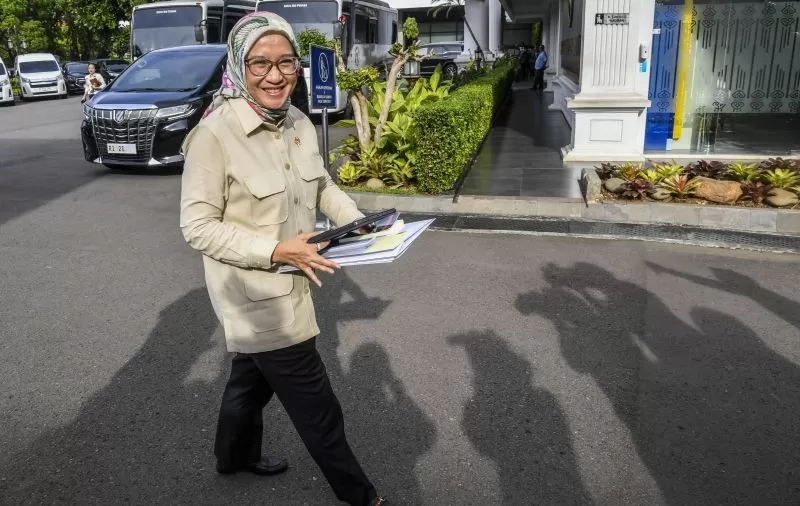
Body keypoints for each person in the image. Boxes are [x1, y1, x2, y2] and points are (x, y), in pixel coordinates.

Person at [179, 12, 392, 506]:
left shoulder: (295, 121)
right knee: (318, 408)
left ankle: (232, 457)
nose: (275, 76)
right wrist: (275, 250)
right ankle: (363, 497)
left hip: (294, 281)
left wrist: (357, 222)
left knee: (249, 381)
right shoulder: (214, 135)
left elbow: (320, 186)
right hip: (257, 296)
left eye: (286, 62)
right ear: (239, 63)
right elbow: (197, 227)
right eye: (260, 63)